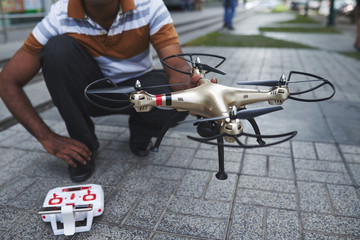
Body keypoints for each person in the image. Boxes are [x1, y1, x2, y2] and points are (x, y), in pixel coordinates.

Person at [0, 0, 200, 182]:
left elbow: (176, 65)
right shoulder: (60, 15)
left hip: (140, 91)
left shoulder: (148, 4)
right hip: (93, 93)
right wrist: (46, 137)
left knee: (175, 99)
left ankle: (142, 129)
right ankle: (82, 148)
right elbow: (7, 80)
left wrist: (191, 89)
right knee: (57, 49)